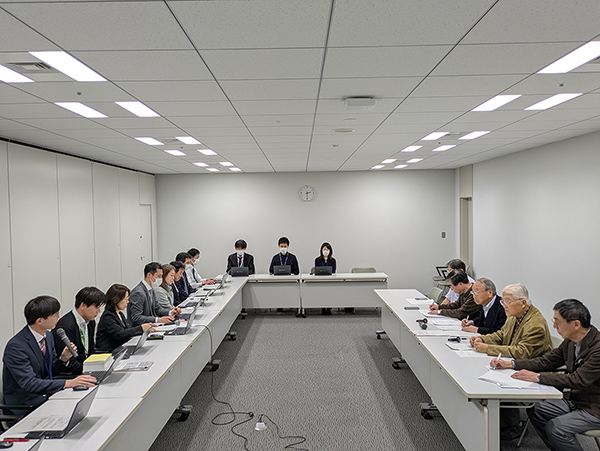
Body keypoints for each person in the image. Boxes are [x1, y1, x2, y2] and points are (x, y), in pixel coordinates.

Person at [491, 299, 600, 450]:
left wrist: (538, 377)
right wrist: (511, 364)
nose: (554, 326)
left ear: (576, 324)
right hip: (575, 399)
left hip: (594, 407)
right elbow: (547, 361)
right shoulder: (571, 341)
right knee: (537, 409)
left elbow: (578, 379)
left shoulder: (597, 348)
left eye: (557, 322)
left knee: (557, 428)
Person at [470, 283, 553, 439]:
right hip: (513, 362)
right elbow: (501, 335)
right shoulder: (514, 316)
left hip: (532, 368)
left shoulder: (535, 324)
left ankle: (512, 425)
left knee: (493, 378)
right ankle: (498, 420)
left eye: (507, 301)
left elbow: (522, 352)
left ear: (523, 303)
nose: (504, 305)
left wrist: (488, 348)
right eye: (503, 301)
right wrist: (482, 339)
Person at [2, 296, 96, 410]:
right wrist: (68, 383)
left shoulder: (48, 336)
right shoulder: (16, 347)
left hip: (48, 396)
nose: (59, 318)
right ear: (39, 321)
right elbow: (30, 383)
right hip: (26, 405)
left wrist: (63, 359)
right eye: (55, 315)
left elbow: (50, 370)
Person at [52, 286, 105, 375]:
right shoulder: (66, 326)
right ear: (83, 306)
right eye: (97, 307)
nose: (99, 311)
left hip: (85, 368)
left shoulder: (90, 322)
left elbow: (91, 350)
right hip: (71, 373)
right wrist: (87, 371)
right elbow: (69, 361)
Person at [96, 284, 155, 353]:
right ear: (116, 299)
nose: (128, 301)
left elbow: (127, 331)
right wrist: (141, 328)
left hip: (120, 350)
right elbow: (121, 334)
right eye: (126, 299)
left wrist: (145, 330)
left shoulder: (120, 314)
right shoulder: (108, 317)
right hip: (109, 352)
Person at [127, 262, 180, 326]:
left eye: (161, 276)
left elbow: (157, 308)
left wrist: (171, 312)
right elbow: (136, 317)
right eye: (159, 276)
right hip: (140, 329)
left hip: (151, 326)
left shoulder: (151, 289)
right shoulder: (138, 293)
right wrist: (157, 319)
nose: (161, 279)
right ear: (149, 275)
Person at [315, 242, 337, 315]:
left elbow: (333, 271)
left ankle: (329, 308)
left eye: (327, 250)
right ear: (321, 250)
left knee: (330, 293)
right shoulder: (317, 260)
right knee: (321, 292)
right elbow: (317, 270)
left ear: (330, 251)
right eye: (324, 249)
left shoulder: (333, 260)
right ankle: (323, 308)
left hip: (330, 280)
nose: (325, 251)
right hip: (320, 281)